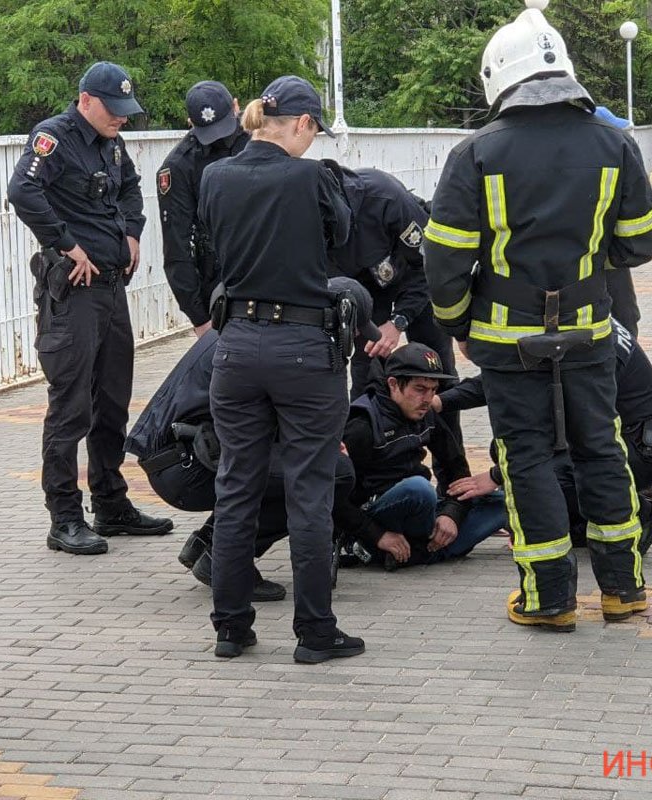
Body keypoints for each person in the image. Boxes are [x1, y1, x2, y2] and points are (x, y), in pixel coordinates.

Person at [423, 2, 652, 632]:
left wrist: (459, 325)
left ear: (499, 77)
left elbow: (445, 263)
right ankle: (623, 589)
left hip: (507, 339)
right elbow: (644, 239)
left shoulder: (476, 151)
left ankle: (549, 599)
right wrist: (590, 258)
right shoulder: (613, 142)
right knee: (600, 448)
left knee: (524, 457)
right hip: (589, 331)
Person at [198, 75, 364, 663]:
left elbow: (210, 252)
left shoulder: (215, 176)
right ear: (300, 123)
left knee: (236, 486)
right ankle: (314, 633)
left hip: (236, 346)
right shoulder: (310, 177)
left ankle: (230, 627)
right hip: (302, 348)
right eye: (313, 131)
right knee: (308, 491)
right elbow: (342, 237)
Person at [125, 277, 382, 599]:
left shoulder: (257, 321)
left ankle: (209, 542)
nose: (354, 339)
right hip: (187, 465)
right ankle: (227, 560)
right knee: (331, 474)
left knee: (306, 461)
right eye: (354, 330)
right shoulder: (285, 342)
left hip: (179, 456)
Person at [7, 61, 173, 556]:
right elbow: (23, 191)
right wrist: (64, 243)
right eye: (113, 110)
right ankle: (64, 517)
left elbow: (128, 190)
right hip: (74, 294)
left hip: (110, 289)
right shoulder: (53, 138)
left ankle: (111, 503)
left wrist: (131, 231)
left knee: (113, 401)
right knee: (71, 406)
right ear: (85, 101)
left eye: (126, 111)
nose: (121, 118)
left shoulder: (111, 143)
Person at [436, 319, 652, 553]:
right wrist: (439, 402)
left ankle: (644, 516)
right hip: (624, 438)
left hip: (638, 450)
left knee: (542, 475)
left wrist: (496, 476)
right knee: (505, 449)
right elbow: (499, 380)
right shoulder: (569, 321)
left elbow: (555, 424)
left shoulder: (587, 343)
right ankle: (583, 518)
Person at [336, 344, 508, 571]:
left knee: (508, 500)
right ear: (393, 384)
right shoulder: (363, 426)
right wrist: (378, 535)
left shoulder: (427, 414)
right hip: (375, 512)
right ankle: (387, 547)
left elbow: (458, 473)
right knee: (419, 489)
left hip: (420, 514)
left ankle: (412, 553)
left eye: (433, 390)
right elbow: (332, 498)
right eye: (419, 389)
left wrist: (451, 516)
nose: (428, 399)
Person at [326, 164, 459, 431]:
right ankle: (368, 454)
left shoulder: (386, 198)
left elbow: (430, 266)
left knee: (436, 369)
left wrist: (399, 322)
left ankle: (451, 464)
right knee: (366, 370)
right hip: (366, 291)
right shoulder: (308, 218)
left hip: (416, 276)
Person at [156, 80, 249, 335]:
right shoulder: (179, 166)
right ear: (191, 123)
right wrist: (199, 318)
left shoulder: (258, 142)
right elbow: (177, 248)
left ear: (236, 107)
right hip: (219, 287)